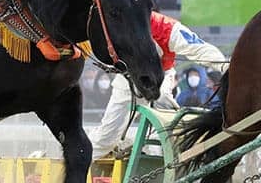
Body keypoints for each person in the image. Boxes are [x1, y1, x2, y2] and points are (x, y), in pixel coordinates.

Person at [88, 11, 227, 159]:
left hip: (162, 76)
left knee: (164, 109)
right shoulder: (113, 25)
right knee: (106, 139)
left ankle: (170, 157)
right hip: (128, 81)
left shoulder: (165, 26)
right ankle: (80, 161)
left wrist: (225, 66)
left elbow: (198, 47)